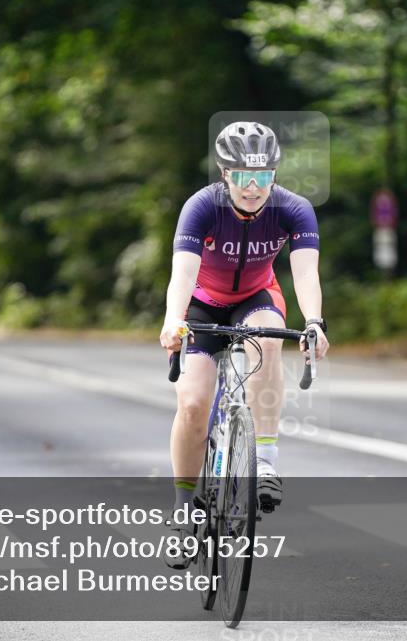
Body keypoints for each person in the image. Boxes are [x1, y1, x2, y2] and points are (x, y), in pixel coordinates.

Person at [159, 122, 329, 567]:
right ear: (223, 173)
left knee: (270, 341)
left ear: (274, 174)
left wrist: (314, 322)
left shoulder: (294, 209)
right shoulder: (201, 207)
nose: (252, 187)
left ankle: (266, 460)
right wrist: (173, 321)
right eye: (241, 176)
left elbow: (306, 275)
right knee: (194, 405)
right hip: (203, 304)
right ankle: (183, 513)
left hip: (256, 297)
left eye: (262, 176)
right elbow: (182, 275)